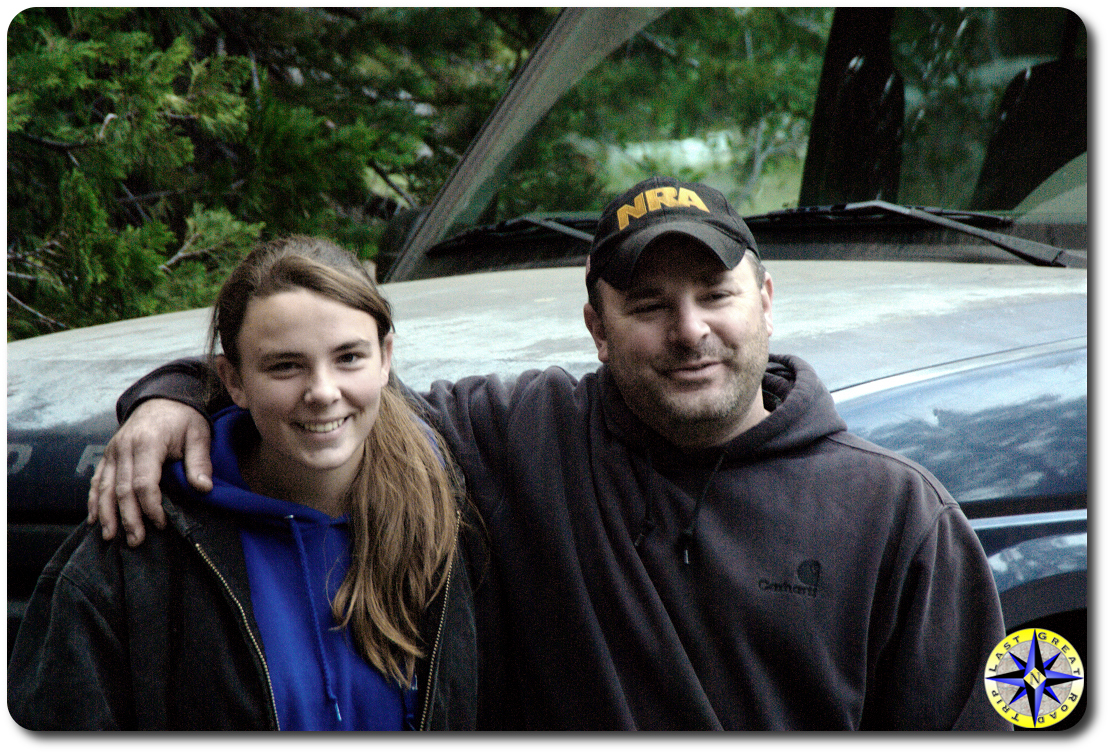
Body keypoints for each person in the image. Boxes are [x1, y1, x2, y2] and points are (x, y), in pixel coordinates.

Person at [85, 177, 1009, 730]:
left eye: (715, 296)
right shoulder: (517, 436)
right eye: (647, 305)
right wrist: (175, 396)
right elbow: (326, 389)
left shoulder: (896, 515)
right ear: (597, 328)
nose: (689, 331)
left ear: (766, 300)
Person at [9, 237, 478, 730]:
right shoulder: (143, 547)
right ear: (232, 380)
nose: (322, 392)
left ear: (385, 358)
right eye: (285, 366)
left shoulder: (447, 507)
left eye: (349, 358)